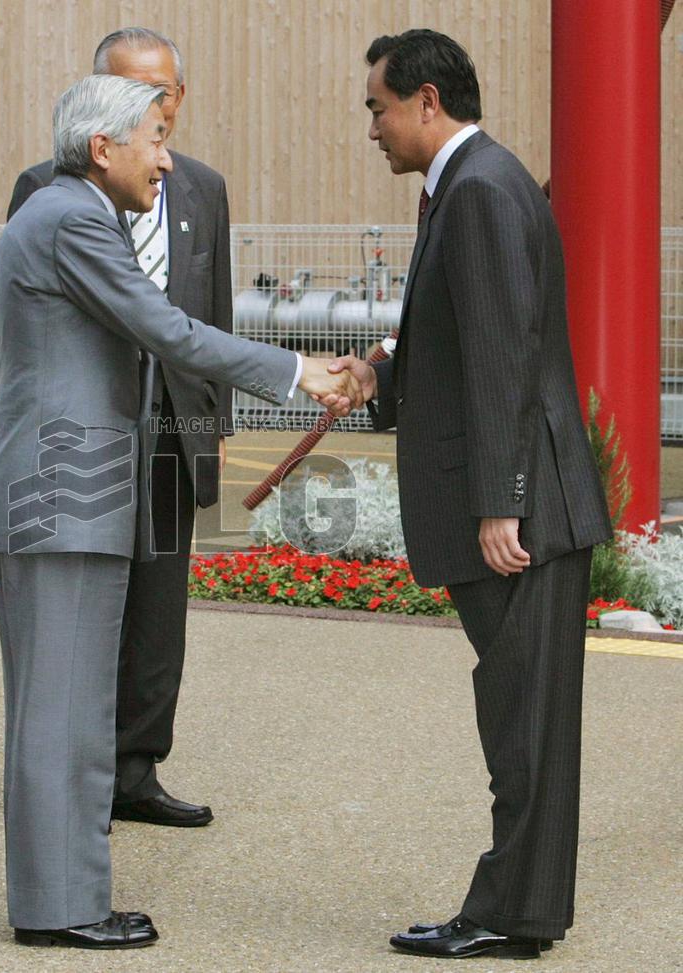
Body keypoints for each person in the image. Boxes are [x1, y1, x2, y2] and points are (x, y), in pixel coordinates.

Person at [0, 73, 358, 949]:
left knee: (71, 709)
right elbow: (168, 328)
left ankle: (65, 895)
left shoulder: (71, 211)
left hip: (66, 491)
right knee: (64, 714)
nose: (167, 158)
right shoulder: (71, 218)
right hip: (62, 493)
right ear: (101, 147)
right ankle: (61, 908)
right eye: (154, 137)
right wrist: (297, 370)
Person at [330, 30, 612, 959]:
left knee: (523, 723)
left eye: (377, 108)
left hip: (523, 512)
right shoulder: (474, 182)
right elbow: (466, 331)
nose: (372, 127)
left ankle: (508, 914)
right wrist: (383, 367)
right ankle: (520, 909)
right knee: (525, 717)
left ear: (426, 101)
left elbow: (504, 357)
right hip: (530, 500)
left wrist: (501, 502)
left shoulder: (481, 190)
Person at [9, 27, 230, 830]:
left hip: (172, 422)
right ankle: (78, 769)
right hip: (87, 426)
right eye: (132, 89)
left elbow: (211, 308)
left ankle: (136, 769)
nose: (151, 105)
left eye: (161, 92)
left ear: (182, 97)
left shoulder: (201, 187)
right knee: (83, 600)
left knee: (159, 609)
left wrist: (211, 427)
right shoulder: (46, 188)